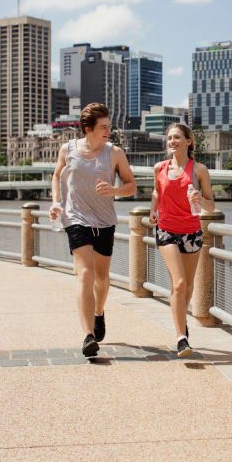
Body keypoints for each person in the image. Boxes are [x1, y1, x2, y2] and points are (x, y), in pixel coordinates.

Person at [49, 103, 136, 357]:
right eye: (103, 127)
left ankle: (99, 313)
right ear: (88, 129)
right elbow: (56, 176)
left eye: (109, 126)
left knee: (102, 278)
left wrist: (115, 191)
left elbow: (131, 185)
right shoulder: (69, 149)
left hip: (105, 220)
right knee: (85, 274)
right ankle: (88, 336)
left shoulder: (115, 153)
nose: (108, 130)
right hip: (75, 218)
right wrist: (56, 202)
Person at [150, 123, 214, 357]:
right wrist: (152, 210)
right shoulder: (159, 168)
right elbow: (157, 191)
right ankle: (181, 338)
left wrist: (200, 198)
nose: (172, 141)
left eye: (177, 137)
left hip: (191, 231)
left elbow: (211, 204)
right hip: (167, 230)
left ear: (189, 141)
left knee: (187, 286)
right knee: (178, 283)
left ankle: (181, 322)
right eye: (169, 138)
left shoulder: (199, 170)